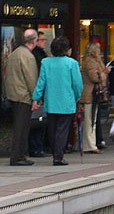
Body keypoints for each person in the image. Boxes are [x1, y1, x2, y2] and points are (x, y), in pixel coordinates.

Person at [32, 36, 82, 166]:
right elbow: (77, 85)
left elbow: (41, 82)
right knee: (62, 129)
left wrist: (36, 98)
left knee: (52, 129)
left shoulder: (45, 62)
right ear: (66, 50)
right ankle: (58, 157)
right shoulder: (72, 63)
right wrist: (77, 97)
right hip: (67, 101)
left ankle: (55, 153)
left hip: (51, 101)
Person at [4, 29, 39, 165]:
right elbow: (31, 79)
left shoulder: (15, 53)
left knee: (20, 126)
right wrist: (35, 97)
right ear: (33, 41)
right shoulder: (28, 56)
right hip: (23, 96)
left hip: (13, 94)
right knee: (22, 127)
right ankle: (18, 157)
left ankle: (20, 156)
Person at [79, 42, 106, 154]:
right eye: (98, 49)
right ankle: (90, 145)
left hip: (91, 93)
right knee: (90, 120)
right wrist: (104, 73)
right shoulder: (90, 61)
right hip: (90, 94)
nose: (99, 51)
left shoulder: (91, 61)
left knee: (91, 119)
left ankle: (90, 144)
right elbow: (95, 77)